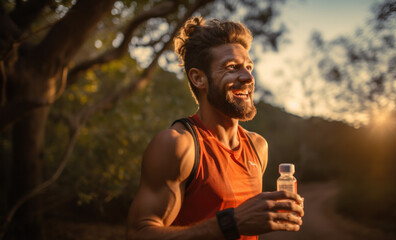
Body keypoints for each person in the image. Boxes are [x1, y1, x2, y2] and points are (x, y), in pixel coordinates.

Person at [127, 16, 304, 240]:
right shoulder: (178, 145)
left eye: (249, 67)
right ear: (199, 78)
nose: (248, 77)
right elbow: (138, 233)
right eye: (232, 68)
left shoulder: (258, 147)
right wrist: (231, 223)